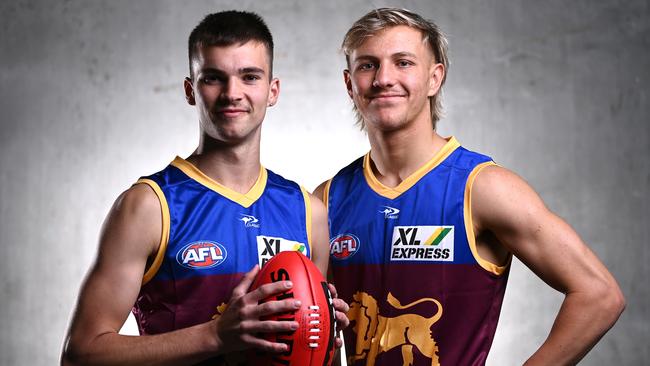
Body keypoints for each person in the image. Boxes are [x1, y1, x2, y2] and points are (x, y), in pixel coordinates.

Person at [315, 7, 625, 366]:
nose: (384, 78)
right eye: (368, 64)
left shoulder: (482, 188)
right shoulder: (328, 199)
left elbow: (599, 294)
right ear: (350, 84)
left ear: (435, 78)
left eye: (403, 63)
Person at [62, 11, 347, 366]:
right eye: (213, 78)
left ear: (272, 90)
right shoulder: (149, 206)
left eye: (250, 77)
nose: (232, 93)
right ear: (190, 90)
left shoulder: (308, 211)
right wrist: (215, 335)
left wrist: (321, 334)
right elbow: (82, 353)